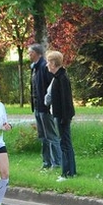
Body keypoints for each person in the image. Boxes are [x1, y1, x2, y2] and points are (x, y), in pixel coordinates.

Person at [28, 43, 63, 171]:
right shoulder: (35, 68)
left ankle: (57, 162)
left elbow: (52, 86)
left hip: (45, 107)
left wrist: (49, 103)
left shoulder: (44, 66)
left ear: (37, 53)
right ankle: (46, 162)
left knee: (51, 135)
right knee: (43, 136)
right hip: (37, 107)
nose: (29, 55)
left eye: (30, 52)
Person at [46, 50, 77, 181]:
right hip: (60, 115)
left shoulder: (62, 78)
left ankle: (67, 172)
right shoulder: (58, 77)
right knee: (65, 142)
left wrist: (64, 118)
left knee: (64, 144)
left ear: (53, 63)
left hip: (63, 116)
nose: (47, 64)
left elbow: (65, 100)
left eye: (48, 62)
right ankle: (71, 171)